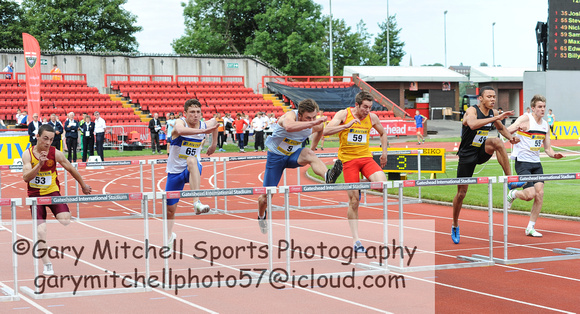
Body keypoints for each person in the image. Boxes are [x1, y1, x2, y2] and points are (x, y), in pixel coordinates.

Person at [257, 99, 341, 234]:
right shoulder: (289, 116)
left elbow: (320, 130)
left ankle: (328, 176)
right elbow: (289, 127)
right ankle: (261, 217)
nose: (312, 120)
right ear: (300, 115)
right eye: (308, 117)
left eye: (314, 117)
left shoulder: (315, 124)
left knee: (308, 153)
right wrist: (313, 122)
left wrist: (312, 147)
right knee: (266, 197)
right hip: (276, 158)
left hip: (293, 156)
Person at [451, 86, 522, 244]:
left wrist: (511, 138)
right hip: (467, 156)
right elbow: (472, 125)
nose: (492, 99)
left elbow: (501, 128)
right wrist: (495, 118)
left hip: (481, 151)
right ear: (480, 99)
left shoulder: (494, 113)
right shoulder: (472, 111)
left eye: (494, 97)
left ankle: (510, 180)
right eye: (489, 96)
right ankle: (455, 224)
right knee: (461, 194)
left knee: (497, 142)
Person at [323, 91, 389, 252]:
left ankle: (356, 184)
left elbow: (383, 133)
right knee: (354, 202)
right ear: (357, 105)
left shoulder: (372, 118)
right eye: (365, 107)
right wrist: (345, 126)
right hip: (348, 161)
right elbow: (325, 131)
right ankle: (356, 240)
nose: (367, 110)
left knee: (382, 185)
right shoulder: (344, 114)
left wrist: (384, 152)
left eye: (370, 107)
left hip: (366, 158)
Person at [22, 124, 92, 275]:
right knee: (41, 232)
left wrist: (83, 185)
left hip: (52, 192)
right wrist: (39, 165)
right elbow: (26, 178)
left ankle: (62, 212)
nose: (48, 142)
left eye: (51, 139)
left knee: (66, 220)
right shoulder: (28, 154)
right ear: (38, 137)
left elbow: (71, 168)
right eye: (45, 138)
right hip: (35, 196)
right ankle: (47, 264)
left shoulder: (56, 153)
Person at [506, 95, 564, 237]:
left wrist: (554, 155)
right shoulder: (525, 118)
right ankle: (513, 194)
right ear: (533, 108)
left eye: (544, 106)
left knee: (540, 194)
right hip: (523, 162)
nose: (542, 109)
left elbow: (548, 149)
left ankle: (530, 227)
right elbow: (507, 130)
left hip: (536, 163)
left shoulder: (545, 125)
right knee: (529, 195)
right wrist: (514, 132)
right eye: (539, 107)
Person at [165, 99, 218, 247]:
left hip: (192, 169)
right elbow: (180, 131)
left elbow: (216, 123)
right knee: (170, 210)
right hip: (175, 171)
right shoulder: (179, 124)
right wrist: (203, 132)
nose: (195, 115)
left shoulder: (204, 124)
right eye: (192, 112)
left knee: (192, 160)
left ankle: (196, 203)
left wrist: (213, 144)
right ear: (185, 114)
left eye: (198, 112)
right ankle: (169, 236)